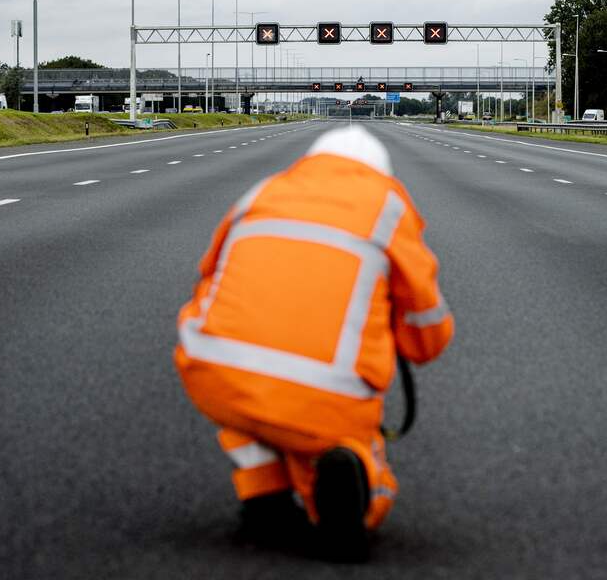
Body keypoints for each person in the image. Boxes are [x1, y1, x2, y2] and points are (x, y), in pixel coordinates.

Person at [173, 125, 454, 562]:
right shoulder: (387, 207)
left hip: (213, 365)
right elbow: (426, 326)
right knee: (339, 439)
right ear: (380, 173)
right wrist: (405, 338)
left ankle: (265, 495)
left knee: (251, 398)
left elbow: (209, 270)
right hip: (327, 390)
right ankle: (350, 496)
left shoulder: (262, 192)